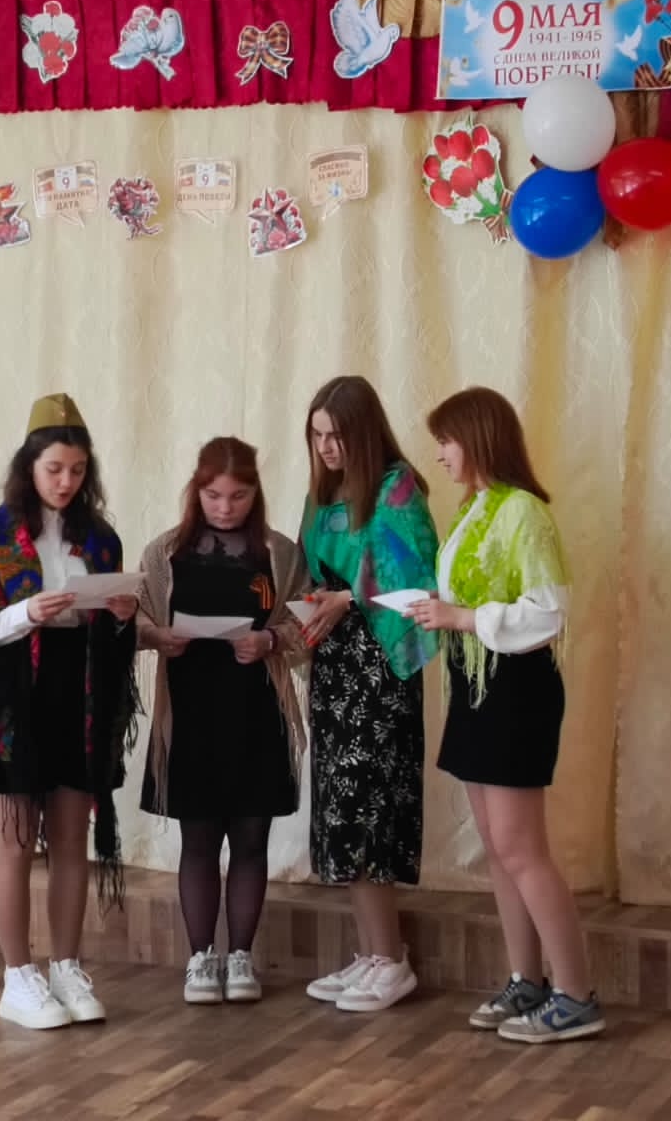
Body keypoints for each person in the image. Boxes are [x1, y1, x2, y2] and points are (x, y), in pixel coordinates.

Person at [407, 386, 605, 1044]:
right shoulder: (475, 509)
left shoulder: (525, 512)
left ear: (478, 438)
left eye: (446, 441)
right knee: (496, 846)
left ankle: (576, 994)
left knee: (522, 847)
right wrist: (437, 606)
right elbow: (473, 596)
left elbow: (548, 613)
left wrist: (461, 617)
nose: (440, 454)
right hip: (476, 686)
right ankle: (528, 980)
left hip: (516, 690)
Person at [0, 392, 141, 1030]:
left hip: (77, 695)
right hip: (15, 700)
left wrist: (120, 615)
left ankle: (66, 967)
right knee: (14, 841)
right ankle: (16, 976)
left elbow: (116, 634)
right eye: (54, 469)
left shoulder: (100, 540)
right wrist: (25, 612)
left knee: (71, 841)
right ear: (29, 466)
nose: (65, 482)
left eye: (77, 471)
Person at [135, 437, 309, 1005]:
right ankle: (200, 958)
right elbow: (133, 620)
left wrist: (270, 640)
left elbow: (307, 625)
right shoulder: (165, 553)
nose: (225, 507)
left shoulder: (279, 554)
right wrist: (158, 636)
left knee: (252, 838)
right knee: (199, 839)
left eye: (238, 496)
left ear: (256, 493)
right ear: (196, 490)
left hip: (258, 712)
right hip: (190, 713)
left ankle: (241, 957)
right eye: (213, 496)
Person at [298, 375, 439, 1012]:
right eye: (317, 435)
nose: (327, 447)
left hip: (379, 670)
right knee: (340, 810)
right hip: (335, 669)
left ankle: (392, 959)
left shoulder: (397, 487)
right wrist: (310, 605)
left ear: (364, 432)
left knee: (371, 810)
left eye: (337, 435)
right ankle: (371, 953)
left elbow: (419, 576)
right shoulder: (322, 494)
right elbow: (311, 571)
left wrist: (348, 598)